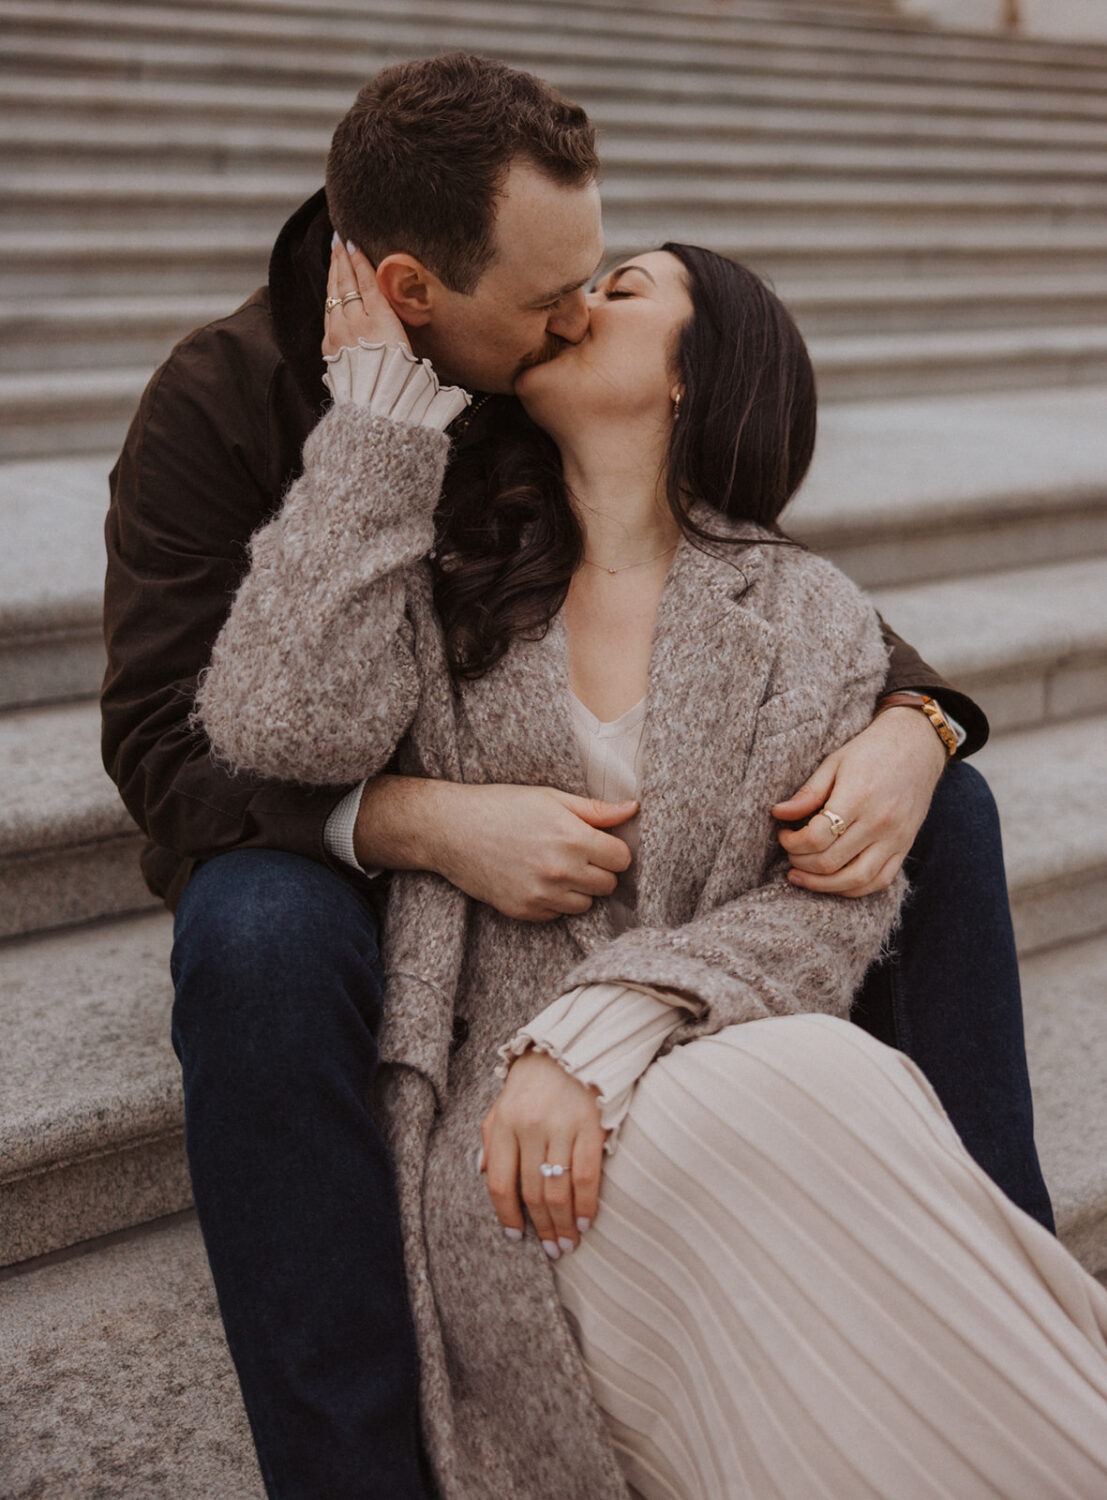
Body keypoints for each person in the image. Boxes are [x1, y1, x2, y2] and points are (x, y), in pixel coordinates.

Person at [101, 53, 1050, 1499]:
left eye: (598, 281)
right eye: (553, 297)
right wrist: (420, 823)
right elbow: (167, 748)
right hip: (344, 854)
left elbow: (741, 571)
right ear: (415, 291)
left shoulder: (527, 359)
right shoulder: (216, 404)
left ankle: (997, 1284)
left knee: (947, 815)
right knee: (252, 937)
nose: (578, 312)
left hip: (598, 883)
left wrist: (920, 724)